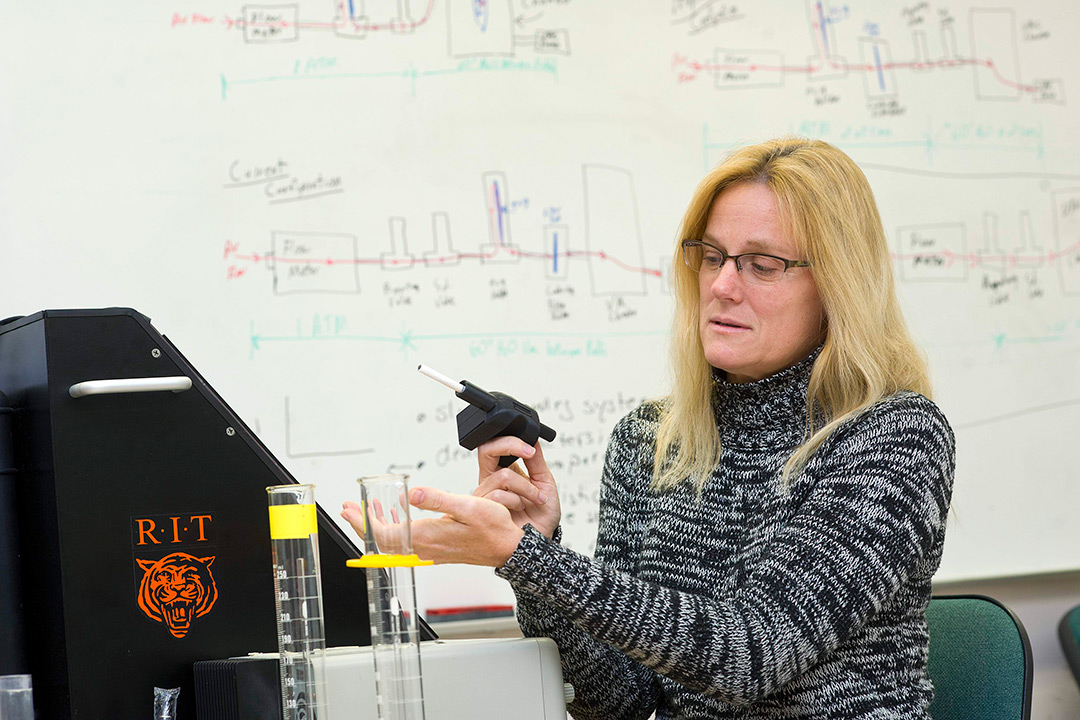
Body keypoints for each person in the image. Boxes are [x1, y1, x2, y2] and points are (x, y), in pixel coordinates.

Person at [342, 137, 955, 719]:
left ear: (839, 285)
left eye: (762, 265)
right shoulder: (650, 440)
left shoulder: (896, 438)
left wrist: (526, 559)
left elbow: (748, 657)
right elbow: (622, 706)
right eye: (711, 257)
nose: (721, 285)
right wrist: (536, 554)